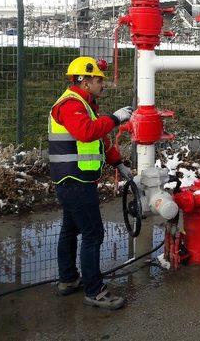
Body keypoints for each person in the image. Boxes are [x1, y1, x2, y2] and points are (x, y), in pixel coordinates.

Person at [48, 56, 134, 310]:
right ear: (84, 81)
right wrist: (116, 119)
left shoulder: (85, 105)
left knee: (70, 228)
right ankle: (95, 291)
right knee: (93, 233)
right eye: (98, 80)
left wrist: (118, 163)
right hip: (74, 181)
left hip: (74, 180)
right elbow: (86, 132)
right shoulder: (70, 105)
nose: (102, 85)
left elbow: (99, 139)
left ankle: (68, 279)